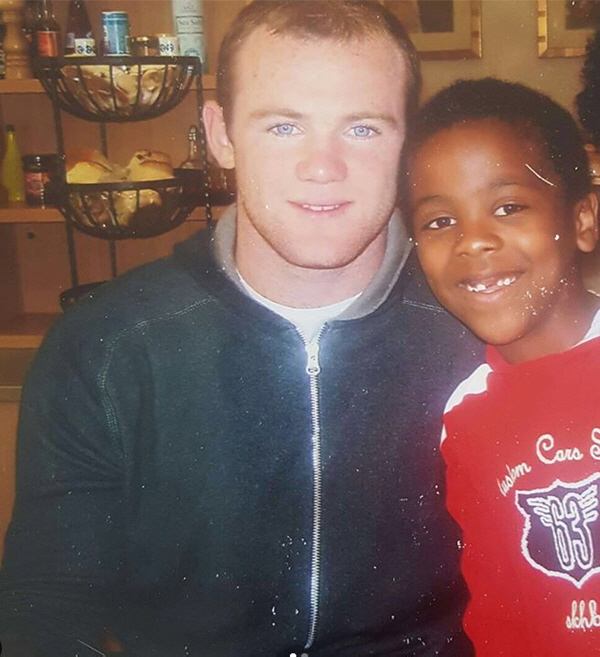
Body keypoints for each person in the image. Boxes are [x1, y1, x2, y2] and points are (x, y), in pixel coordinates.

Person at [0, 2, 480, 655]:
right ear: (220, 134)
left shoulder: (478, 326)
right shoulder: (104, 350)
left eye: (363, 128)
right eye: (283, 126)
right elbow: (46, 609)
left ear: (407, 143)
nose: (322, 166)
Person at [402, 77, 600, 656]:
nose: (473, 241)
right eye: (440, 221)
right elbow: (498, 610)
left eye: (508, 208)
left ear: (583, 220)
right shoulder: (464, 416)